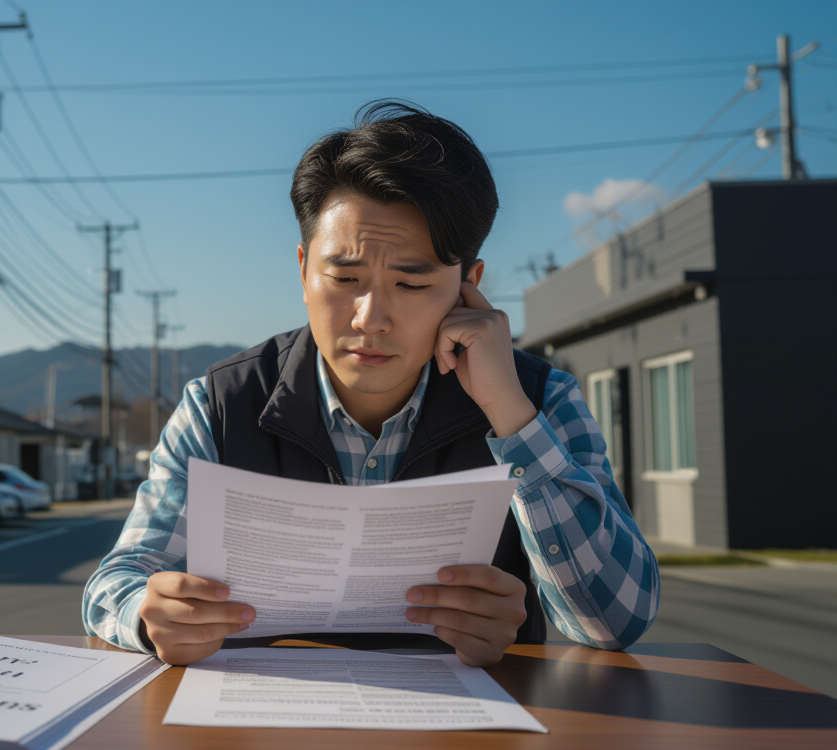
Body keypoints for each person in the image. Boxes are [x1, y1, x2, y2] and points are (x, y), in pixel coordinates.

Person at [82, 100, 659, 667]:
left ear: (469, 287)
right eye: (344, 277)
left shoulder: (538, 399)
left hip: (478, 719)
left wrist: (509, 412)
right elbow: (114, 583)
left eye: (411, 284)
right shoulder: (221, 405)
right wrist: (149, 616)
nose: (370, 318)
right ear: (303, 270)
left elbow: (617, 622)